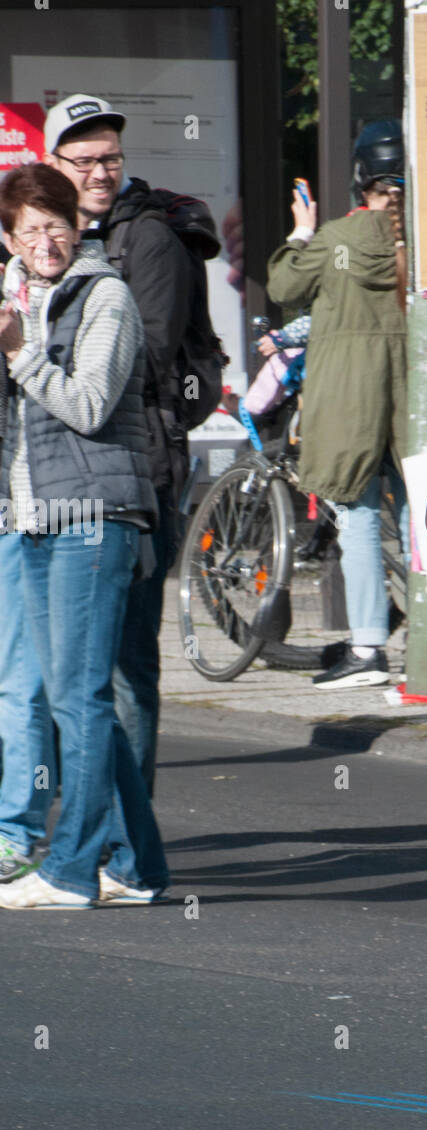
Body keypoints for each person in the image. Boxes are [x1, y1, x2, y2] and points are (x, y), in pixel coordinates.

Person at [0, 164, 168, 908]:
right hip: (33, 520)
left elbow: (92, 404)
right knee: (76, 697)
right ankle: (137, 868)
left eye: (57, 223)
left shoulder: (106, 296)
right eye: (30, 229)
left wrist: (17, 352)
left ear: (78, 222)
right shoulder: (17, 302)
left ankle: (71, 871)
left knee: (80, 700)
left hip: (94, 520)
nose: (47, 240)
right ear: (8, 239)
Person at [44, 93, 202, 795]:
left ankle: (129, 836)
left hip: (143, 477)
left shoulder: (150, 239)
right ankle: (76, 820)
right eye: (85, 160)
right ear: (55, 164)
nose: (100, 172)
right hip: (55, 482)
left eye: (110, 157)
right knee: (59, 665)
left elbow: (148, 358)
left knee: (127, 664)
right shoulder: (44, 238)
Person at [266, 121, 408, 690]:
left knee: (357, 514)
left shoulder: (335, 240)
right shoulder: (423, 242)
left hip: (350, 402)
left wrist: (301, 231)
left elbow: (280, 286)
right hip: (411, 398)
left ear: (360, 176)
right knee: (426, 518)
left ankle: (368, 647)